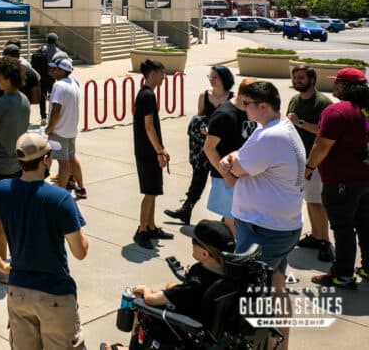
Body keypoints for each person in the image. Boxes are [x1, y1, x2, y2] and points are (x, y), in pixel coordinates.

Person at [0, 132, 88, 349]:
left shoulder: (1, 190)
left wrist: (0, 264)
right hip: (55, 293)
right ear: (45, 160)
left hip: (19, 291)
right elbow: (80, 252)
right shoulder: (60, 198)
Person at [221, 80, 304, 349]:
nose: (243, 108)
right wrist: (235, 160)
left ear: (264, 106)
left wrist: (229, 165)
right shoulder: (278, 128)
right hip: (280, 227)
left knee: (251, 297)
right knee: (277, 289)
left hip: (262, 230)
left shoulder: (269, 137)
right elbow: (243, 157)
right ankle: (280, 345)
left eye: (247, 104)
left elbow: (232, 174)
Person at [103, 219, 234, 348]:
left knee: (139, 298)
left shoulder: (196, 283)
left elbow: (150, 300)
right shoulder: (230, 274)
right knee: (168, 287)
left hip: (183, 330)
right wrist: (172, 287)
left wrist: (145, 289)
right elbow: (181, 291)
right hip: (210, 327)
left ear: (205, 254)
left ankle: (133, 347)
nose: (192, 243)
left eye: (194, 241)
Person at [305, 68, 369, 289]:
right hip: (365, 180)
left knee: (343, 228)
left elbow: (322, 145)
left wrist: (309, 167)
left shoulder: (337, 111)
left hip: (342, 181)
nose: (334, 86)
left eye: (337, 83)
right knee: (365, 225)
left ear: (345, 86)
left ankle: (342, 275)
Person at [0, 56, 32, 283]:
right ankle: (16, 259)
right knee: (14, 216)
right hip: (17, 165)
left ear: (8, 79)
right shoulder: (24, 100)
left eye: (0, 78)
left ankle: (2, 266)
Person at [165, 65, 234, 225]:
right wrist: (203, 127)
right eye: (210, 76)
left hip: (224, 146)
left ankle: (227, 217)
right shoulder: (204, 96)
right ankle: (186, 209)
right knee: (198, 176)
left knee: (223, 179)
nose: (211, 79)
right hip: (206, 144)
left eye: (215, 77)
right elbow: (200, 117)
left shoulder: (233, 97)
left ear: (224, 79)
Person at [286, 65, 335, 263]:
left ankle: (325, 242)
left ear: (312, 80)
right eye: (295, 78)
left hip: (315, 160)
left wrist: (300, 122)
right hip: (297, 158)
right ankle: (316, 236)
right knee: (310, 199)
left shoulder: (322, 103)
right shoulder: (294, 100)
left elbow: (326, 132)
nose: (297, 81)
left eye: (301, 78)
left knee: (316, 201)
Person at [204, 76, 253, 237]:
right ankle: (232, 250)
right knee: (232, 221)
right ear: (243, 95)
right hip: (226, 177)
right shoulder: (224, 115)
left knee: (242, 219)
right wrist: (227, 176)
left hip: (245, 175)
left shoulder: (250, 112)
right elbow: (209, 148)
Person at [132, 59, 173, 250]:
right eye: (161, 73)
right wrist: (159, 151)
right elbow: (149, 126)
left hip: (149, 150)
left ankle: (151, 226)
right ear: (152, 74)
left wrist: (161, 148)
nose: (164, 77)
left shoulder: (146, 93)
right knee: (149, 192)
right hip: (147, 152)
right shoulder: (147, 95)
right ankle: (142, 230)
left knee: (154, 190)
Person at [46, 57, 86, 200]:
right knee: (71, 158)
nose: (52, 71)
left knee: (63, 163)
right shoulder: (73, 82)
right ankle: (81, 188)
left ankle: (60, 197)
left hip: (59, 131)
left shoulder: (59, 85)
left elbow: (56, 109)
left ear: (62, 71)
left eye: (55, 69)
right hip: (71, 130)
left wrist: (49, 128)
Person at [31, 33, 68, 125]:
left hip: (42, 77)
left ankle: (43, 117)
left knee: (42, 98)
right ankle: (53, 115)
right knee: (55, 97)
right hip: (53, 77)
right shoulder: (58, 51)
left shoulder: (41, 49)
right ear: (56, 41)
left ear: (47, 40)